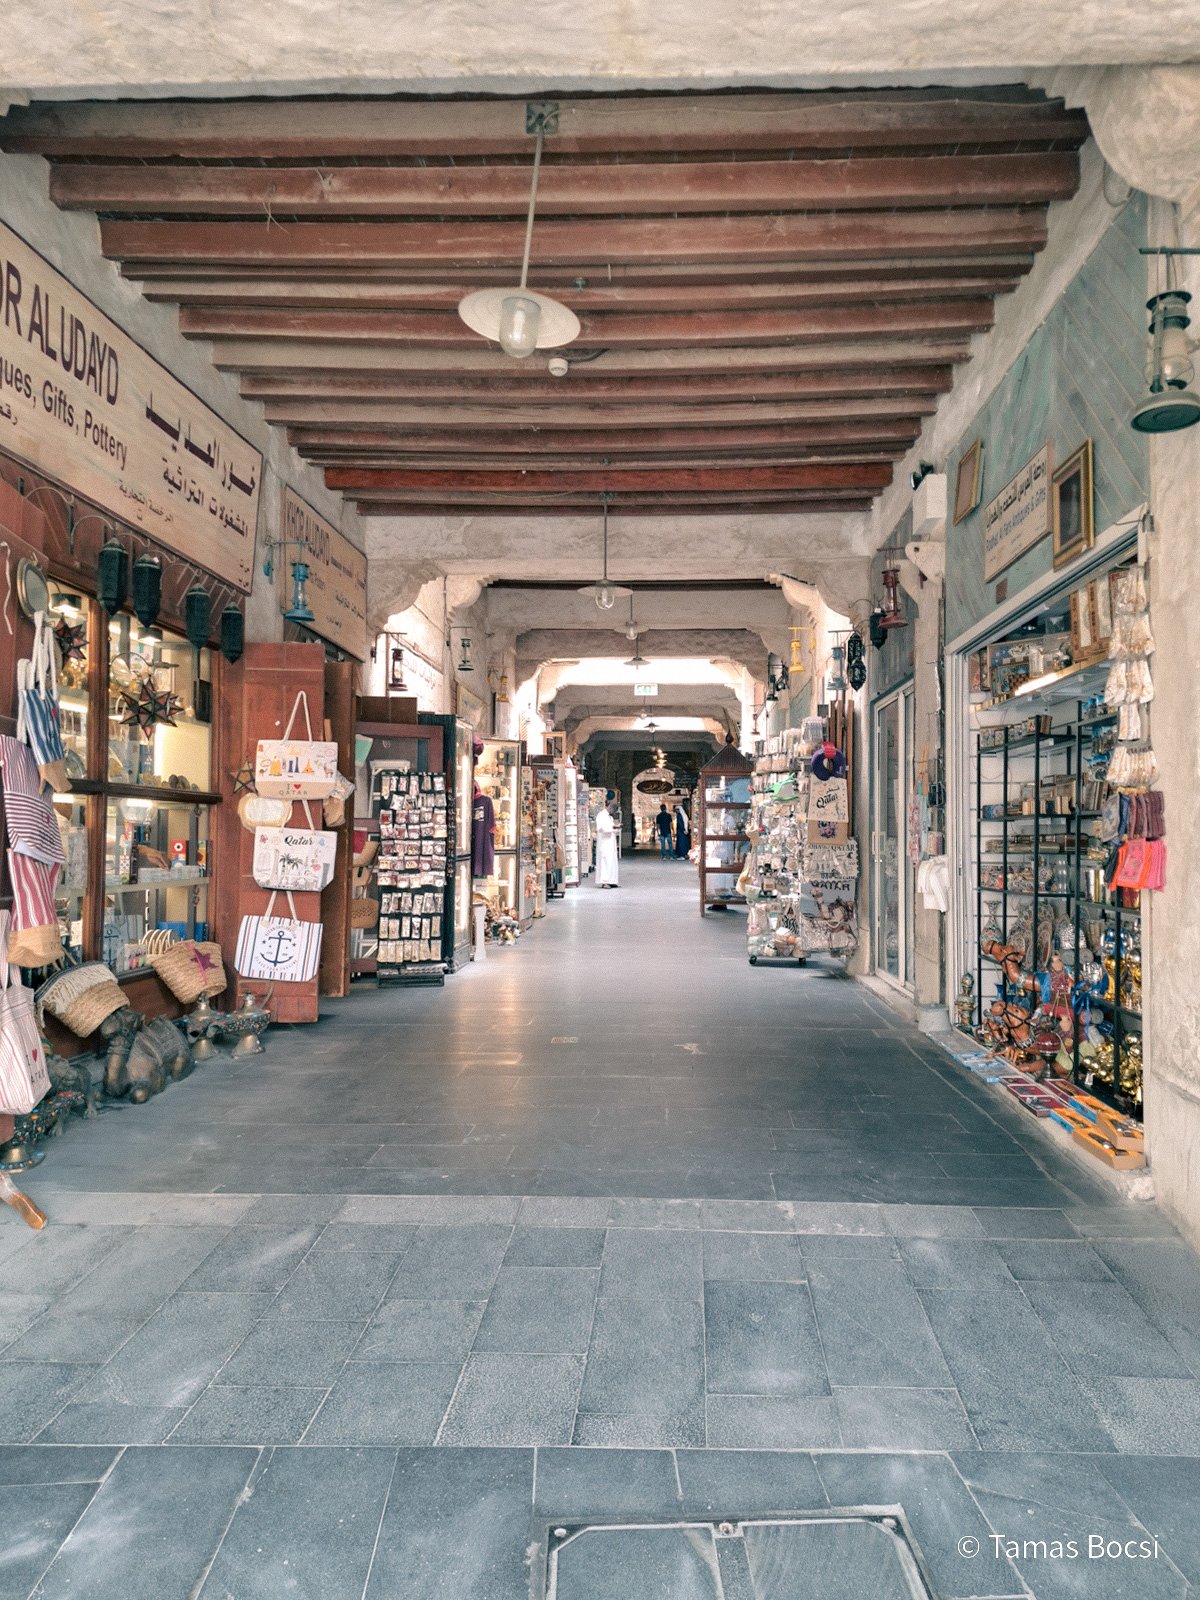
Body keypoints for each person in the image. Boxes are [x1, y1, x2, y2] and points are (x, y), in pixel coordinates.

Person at [595, 800, 620, 887]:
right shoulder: (601, 816)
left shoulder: (610, 817)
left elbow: (612, 827)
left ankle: (611, 880)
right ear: (610, 809)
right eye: (613, 811)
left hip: (610, 843)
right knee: (605, 861)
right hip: (604, 843)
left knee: (611, 862)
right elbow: (601, 829)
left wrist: (616, 829)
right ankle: (604, 881)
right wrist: (612, 829)